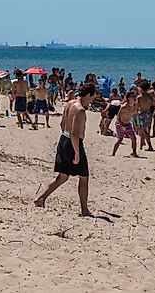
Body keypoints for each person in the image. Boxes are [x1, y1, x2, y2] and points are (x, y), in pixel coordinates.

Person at [35, 82, 97, 216]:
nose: (92, 101)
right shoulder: (80, 110)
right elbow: (75, 133)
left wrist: (66, 139)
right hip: (73, 142)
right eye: (92, 97)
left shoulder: (69, 104)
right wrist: (76, 152)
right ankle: (84, 209)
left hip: (64, 138)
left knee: (62, 176)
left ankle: (41, 198)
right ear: (88, 95)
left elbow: (62, 123)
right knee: (84, 177)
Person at [112, 89, 139, 157]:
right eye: (132, 96)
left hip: (128, 124)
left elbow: (134, 115)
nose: (134, 97)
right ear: (129, 98)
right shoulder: (124, 107)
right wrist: (121, 125)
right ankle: (113, 154)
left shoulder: (135, 106)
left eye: (134, 96)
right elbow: (118, 117)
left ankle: (134, 153)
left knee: (134, 138)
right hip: (120, 124)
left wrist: (136, 124)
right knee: (120, 139)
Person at [135, 79, 155, 151]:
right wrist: (151, 115)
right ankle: (141, 146)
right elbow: (153, 106)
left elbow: (136, 107)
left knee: (143, 131)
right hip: (148, 113)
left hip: (142, 114)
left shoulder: (139, 97)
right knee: (143, 130)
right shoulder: (150, 97)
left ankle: (150, 146)